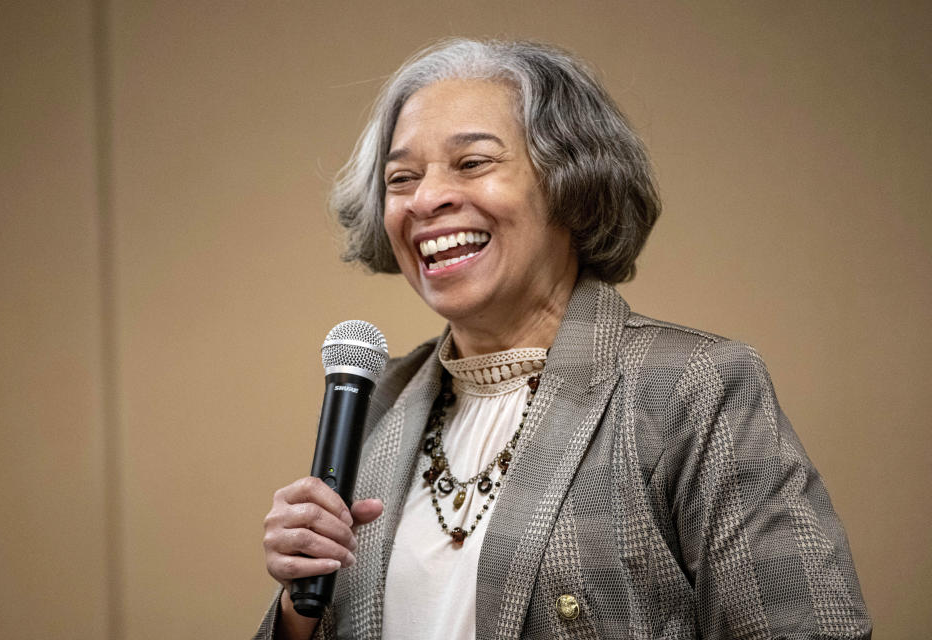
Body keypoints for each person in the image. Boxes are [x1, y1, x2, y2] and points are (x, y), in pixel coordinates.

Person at [256, 39, 871, 640]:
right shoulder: (374, 407)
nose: (426, 199)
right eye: (401, 177)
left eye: (472, 163)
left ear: (570, 184)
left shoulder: (692, 391)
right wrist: (298, 611)